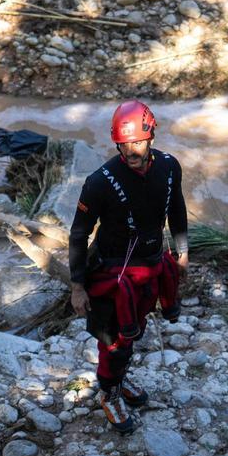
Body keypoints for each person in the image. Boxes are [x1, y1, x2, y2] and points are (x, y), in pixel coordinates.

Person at [68, 100, 189, 434]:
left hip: (149, 265)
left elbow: (176, 209)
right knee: (113, 338)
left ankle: (118, 380)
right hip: (111, 272)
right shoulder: (100, 182)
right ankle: (108, 393)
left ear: (150, 136)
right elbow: (79, 233)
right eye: (124, 145)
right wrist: (77, 286)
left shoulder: (168, 167)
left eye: (137, 142)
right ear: (116, 142)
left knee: (135, 328)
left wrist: (182, 252)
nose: (131, 151)